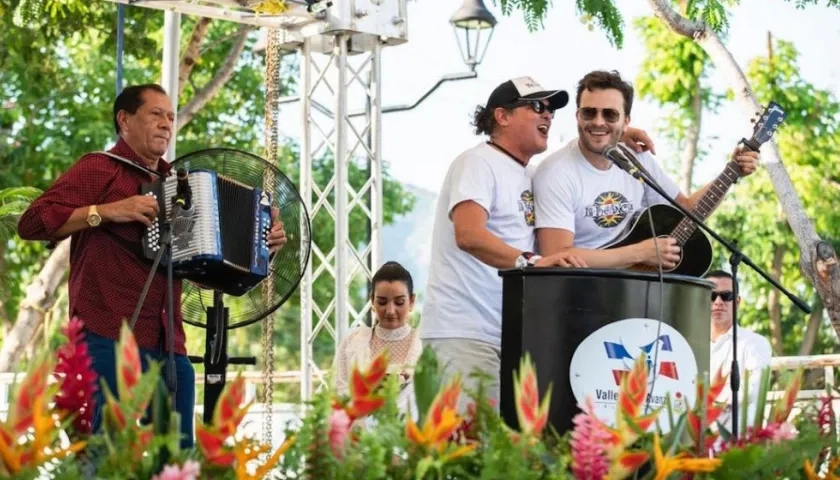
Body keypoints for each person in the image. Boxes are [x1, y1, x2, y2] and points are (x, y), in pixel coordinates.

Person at [16, 83, 288, 448]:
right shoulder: (100, 168)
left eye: (171, 117)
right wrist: (108, 211)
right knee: (102, 458)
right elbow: (33, 223)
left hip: (169, 348)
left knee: (175, 461)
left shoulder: (179, 184)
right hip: (106, 338)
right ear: (124, 120)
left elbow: (206, 273)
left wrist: (262, 247)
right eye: (155, 114)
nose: (166, 124)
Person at [419, 76, 658, 411]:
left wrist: (621, 135)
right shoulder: (477, 162)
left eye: (551, 109)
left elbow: (582, 150)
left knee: (502, 441)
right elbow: (469, 235)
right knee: (467, 439)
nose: (547, 115)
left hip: (508, 333)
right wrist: (530, 262)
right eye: (536, 106)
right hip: (465, 332)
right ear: (502, 116)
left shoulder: (528, 173)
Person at [533, 70, 760, 270]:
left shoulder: (636, 158)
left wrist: (731, 172)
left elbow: (686, 210)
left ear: (626, 121)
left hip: (636, 289)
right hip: (579, 291)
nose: (598, 122)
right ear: (577, 116)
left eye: (610, 114)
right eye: (589, 112)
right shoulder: (556, 172)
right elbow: (557, 255)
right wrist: (640, 253)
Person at [332, 261, 422, 419]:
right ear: (372, 301)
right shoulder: (353, 341)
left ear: (412, 301)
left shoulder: (424, 343)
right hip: (358, 431)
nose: (390, 311)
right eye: (382, 302)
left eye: (399, 302)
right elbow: (338, 393)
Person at [706, 269, 772, 424]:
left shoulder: (756, 343)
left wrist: (705, 403)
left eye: (726, 296)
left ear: (737, 302)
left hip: (739, 436)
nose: (718, 302)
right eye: (711, 295)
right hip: (695, 434)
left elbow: (752, 389)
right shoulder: (689, 343)